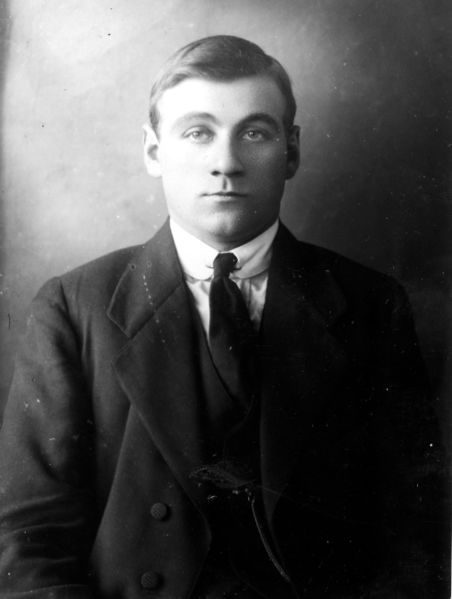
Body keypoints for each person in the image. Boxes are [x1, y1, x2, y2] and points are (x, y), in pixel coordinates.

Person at [0, 35, 448, 599]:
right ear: (153, 151)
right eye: (198, 133)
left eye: (254, 133)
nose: (226, 163)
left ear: (291, 151)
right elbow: (29, 539)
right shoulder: (74, 306)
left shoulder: (371, 305)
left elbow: (415, 531)